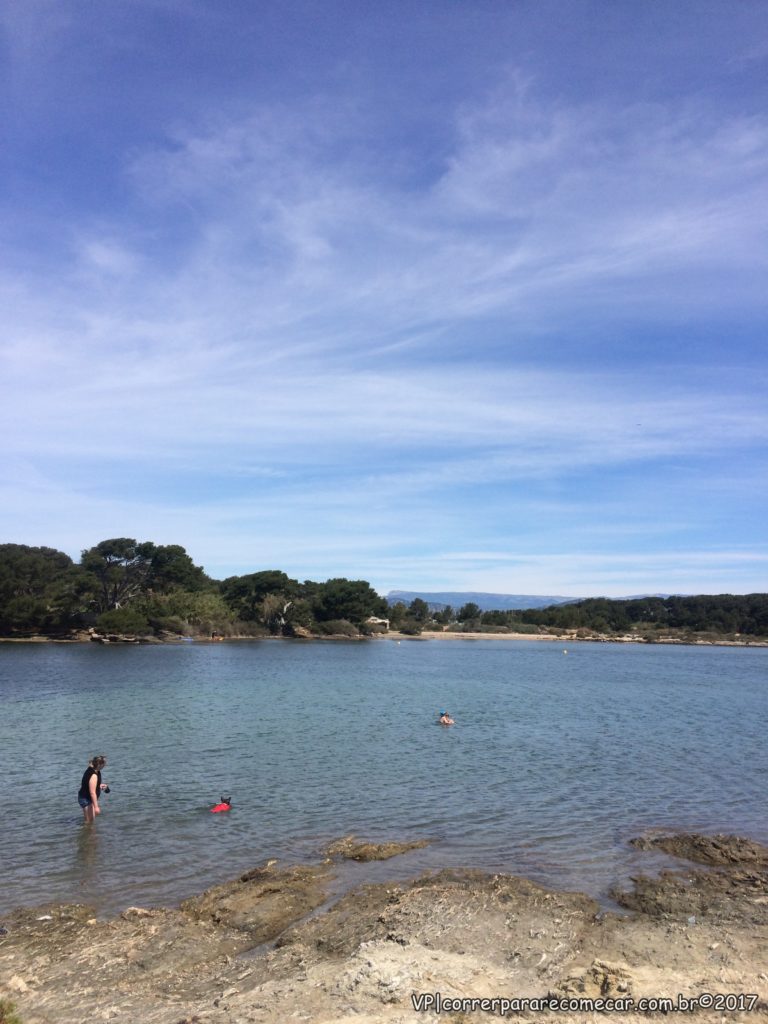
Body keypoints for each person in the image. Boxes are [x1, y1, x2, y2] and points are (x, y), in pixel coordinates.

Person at [78, 755, 108, 823]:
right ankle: (90, 833)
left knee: (89, 821)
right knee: (90, 821)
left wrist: (99, 785)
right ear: (100, 765)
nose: (105, 766)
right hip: (86, 799)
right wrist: (96, 807)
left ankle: (88, 833)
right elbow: (92, 792)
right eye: (104, 764)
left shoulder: (93, 769)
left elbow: (88, 784)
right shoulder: (94, 775)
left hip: (84, 797)